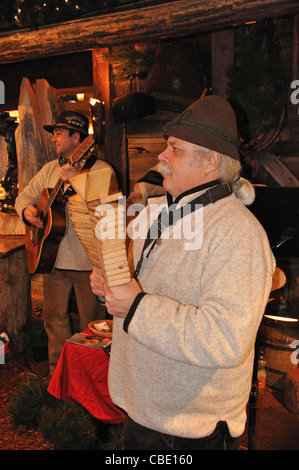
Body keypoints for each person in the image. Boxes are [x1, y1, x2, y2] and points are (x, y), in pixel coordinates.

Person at [90, 95, 275, 450]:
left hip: (190, 430)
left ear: (210, 161)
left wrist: (137, 307)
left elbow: (225, 339)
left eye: (174, 148)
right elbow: (140, 287)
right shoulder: (155, 212)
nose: (161, 155)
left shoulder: (239, 234)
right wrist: (110, 290)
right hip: (143, 408)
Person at [15, 111, 115, 376]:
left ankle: (93, 380)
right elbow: (24, 196)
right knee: (54, 322)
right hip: (54, 259)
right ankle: (58, 376)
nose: (53, 138)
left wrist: (76, 181)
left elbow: (107, 207)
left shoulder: (101, 169)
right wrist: (28, 211)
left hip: (89, 264)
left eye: (59, 132)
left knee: (93, 326)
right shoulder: (50, 169)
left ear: (77, 137)